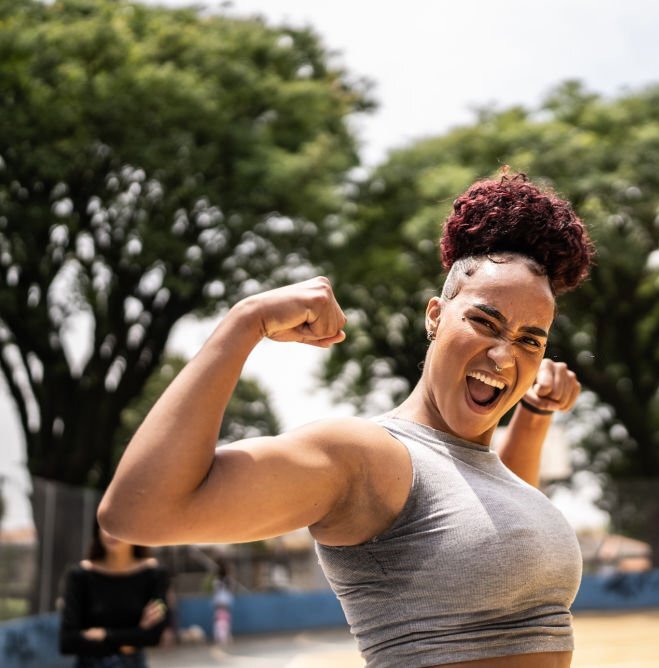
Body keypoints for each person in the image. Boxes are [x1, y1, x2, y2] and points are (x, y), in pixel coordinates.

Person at [99, 171, 595, 667]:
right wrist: (245, 321)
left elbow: (500, 523)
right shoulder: (366, 454)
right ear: (434, 315)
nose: (506, 357)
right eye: (484, 322)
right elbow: (137, 513)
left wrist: (532, 416)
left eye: (531, 339)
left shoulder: (478, 468)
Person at [59, 518, 169, 667]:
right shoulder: (78, 575)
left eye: (120, 525)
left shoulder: (155, 574)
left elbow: (153, 636)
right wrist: (133, 638)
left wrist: (104, 635)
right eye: (106, 525)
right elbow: (68, 642)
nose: (111, 533)